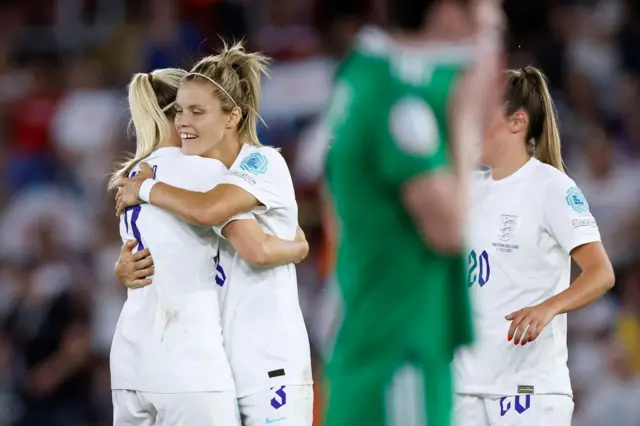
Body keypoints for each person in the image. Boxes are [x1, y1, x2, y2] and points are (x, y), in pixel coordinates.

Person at [321, 0, 505, 424]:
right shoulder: (397, 100)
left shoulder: (368, 74)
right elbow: (449, 228)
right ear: (445, 14)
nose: (494, 56)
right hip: (398, 356)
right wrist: (464, 117)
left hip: (393, 345)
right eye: (488, 30)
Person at [115, 42, 314, 426]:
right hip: (222, 366)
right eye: (178, 112)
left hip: (269, 364)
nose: (182, 123)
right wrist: (123, 268)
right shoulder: (199, 180)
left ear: (231, 117)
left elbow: (223, 222)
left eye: (196, 112)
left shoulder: (260, 161)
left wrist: (145, 187)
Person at [452, 66, 616, 426]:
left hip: (528, 386)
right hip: (464, 384)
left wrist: (548, 308)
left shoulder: (551, 187)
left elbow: (601, 273)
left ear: (516, 122)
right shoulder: (468, 188)